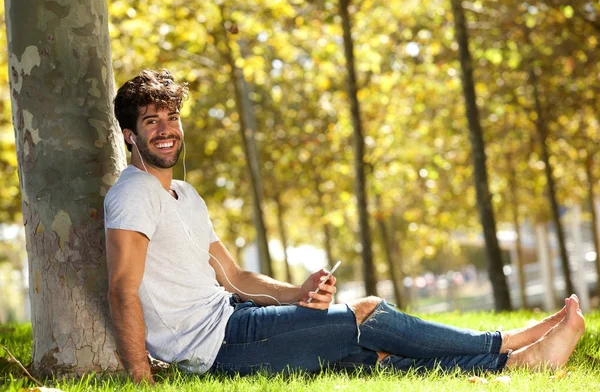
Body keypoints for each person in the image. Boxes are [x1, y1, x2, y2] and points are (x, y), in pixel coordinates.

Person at [104, 69, 586, 384]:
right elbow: (123, 290)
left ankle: (521, 365)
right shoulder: (133, 194)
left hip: (235, 320)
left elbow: (235, 278)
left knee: (374, 356)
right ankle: (507, 343)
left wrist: (300, 293)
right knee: (369, 313)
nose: (166, 129)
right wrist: (142, 379)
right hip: (218, 346)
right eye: (151, 121)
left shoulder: (185, 195)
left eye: (171, 117)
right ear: (130, 135)